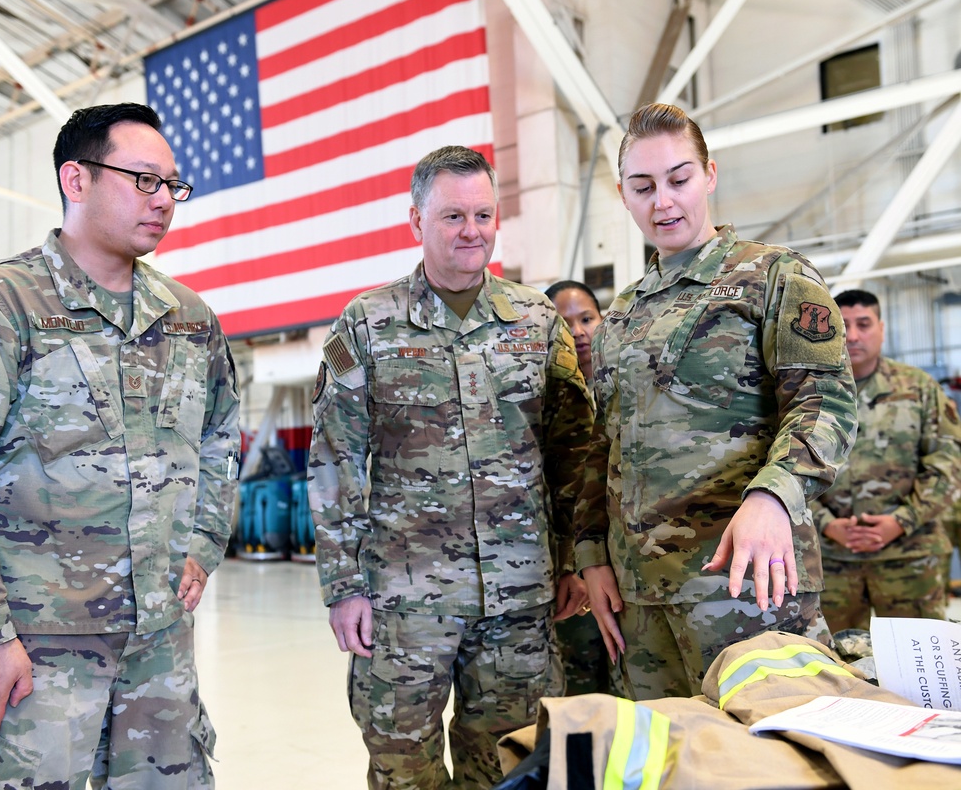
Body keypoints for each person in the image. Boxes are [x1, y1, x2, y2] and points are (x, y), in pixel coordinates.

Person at [0, 103, 240, 787]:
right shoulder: (0, 304)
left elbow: (221, 439)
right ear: (76, 179)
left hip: (160, 651)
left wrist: (202, 545)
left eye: (173, 185)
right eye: (144, 180)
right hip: (36, 648)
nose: (165, 201)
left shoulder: (189, 319)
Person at [309, 145, 594, 789]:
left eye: (483, 214)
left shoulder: (536, 319)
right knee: (402, 767)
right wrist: (344, 585)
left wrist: (574, 557)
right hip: (404, 603)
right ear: (415, 221)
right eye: (452, 217)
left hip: (519, 598)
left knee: (509, 766)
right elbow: (335, 461)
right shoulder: (366, 325)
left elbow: (573, 451)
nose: (472, 231)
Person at [574, 103, 858, 701]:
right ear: (624, 196)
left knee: (771, 760)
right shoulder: (621, 313)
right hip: (640, 598)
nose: (663, 202)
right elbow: (602, 447)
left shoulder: (774, 276)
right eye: (643, 186)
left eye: (679, 179)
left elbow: (825, 405)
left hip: (747, 586)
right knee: (665, 760)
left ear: (710, 174)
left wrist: (774, 494)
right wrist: (591, 554)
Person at [810, 289, 961, 632]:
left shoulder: (919, 389)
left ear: (881, 327)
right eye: (843, 324)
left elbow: (949, 466)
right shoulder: (809, 392)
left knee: (921, 660)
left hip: (909, 557)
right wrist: (826, 524)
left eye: (863, 324)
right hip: (830, 559)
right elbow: (787, 465)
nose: (853, 335)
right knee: (837, 664)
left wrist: (901, 521)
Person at [544, 280, 608, 695]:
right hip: (571, 565)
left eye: (587, 318)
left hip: (626, 562)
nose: (579, 332)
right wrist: (573, 564)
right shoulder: (542, 399)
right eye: (565, 324)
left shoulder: (629, 382)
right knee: (582, 686)